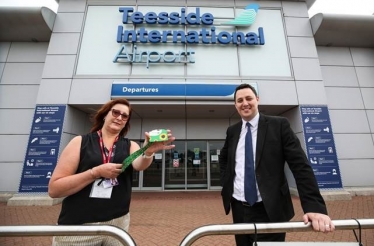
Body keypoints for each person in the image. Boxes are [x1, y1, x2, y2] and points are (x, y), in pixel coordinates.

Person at [219, 83, 335, 245]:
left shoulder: (279, 125)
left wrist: (314, 207)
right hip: (239, 208)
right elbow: (224, 158)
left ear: (257, 100)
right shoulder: (233, 131)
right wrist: (227, 182)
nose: (244, 103)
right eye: (240, 100)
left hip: (269, 209)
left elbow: (300, 166)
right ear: (235, 105)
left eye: (248, 98)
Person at [48, 98, 175, 246]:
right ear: (104, 115)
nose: (119, 117)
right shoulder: (80, 142)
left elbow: (139, 164)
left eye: (124, 116)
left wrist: (148, 152)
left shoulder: (130, 145)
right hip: (79, 226)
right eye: (115, 112)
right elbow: (54, 189)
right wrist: (95, 172)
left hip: (118, 223)